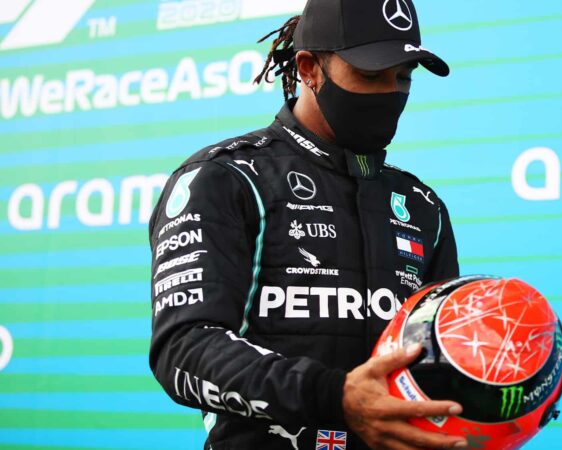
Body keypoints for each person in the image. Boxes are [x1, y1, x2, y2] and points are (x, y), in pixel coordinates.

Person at [148, 0, 466, 449]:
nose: (390, 93)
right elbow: (184, 348)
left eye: (403, 77)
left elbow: (441, 355)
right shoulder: (226, 178)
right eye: (371, 76)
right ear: (309, 68)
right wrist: (333, 397)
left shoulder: (421, 206)